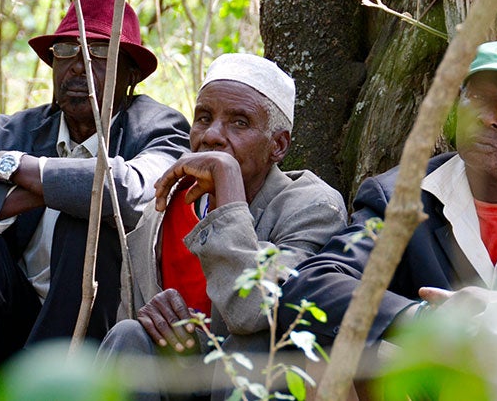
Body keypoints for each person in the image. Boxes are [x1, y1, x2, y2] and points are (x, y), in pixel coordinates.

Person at [0, 0, 191, 399]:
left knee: (87, 226)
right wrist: (23, 197)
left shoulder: (157, 127)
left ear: (130, 74)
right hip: (10, 326)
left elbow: (133, 191)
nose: (78, 67)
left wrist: (23, 171)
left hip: (101, 335)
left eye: (99, 52)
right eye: (66, 50)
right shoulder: (11, 132)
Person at [279, 38, 497, 361]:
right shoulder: (402, 197)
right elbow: (313, 284)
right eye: (479, 97)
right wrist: (419, 319)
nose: (489, 117)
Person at [97, 53, 348, 399]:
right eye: (203, 118)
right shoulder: (162, 210)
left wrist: (227, 180)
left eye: (239, 123)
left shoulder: (313, 206)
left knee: (254, 342)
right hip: (175, 383)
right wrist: (160, 327)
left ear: (278, 145)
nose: (212, 135)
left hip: (255, 382)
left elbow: (253, 312)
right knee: (128, 334)